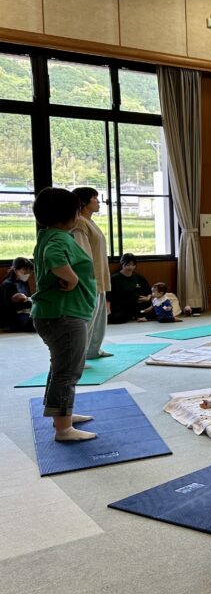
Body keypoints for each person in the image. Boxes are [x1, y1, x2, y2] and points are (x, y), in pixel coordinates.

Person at [30, 187, 98, 442]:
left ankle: (62, 414)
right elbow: (54, 258)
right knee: (68, 371)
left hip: (57, 314)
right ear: (69, 214)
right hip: (64, 316)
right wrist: (70, 278)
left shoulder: (48, 234)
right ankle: (63, 428)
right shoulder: (58, 239)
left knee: (61, 367)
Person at [71, 187, 112, 359]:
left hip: (100, 276)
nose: (98, 200)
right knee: (87, 319)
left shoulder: (89, 221)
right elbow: (82, 254)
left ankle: (93, 351)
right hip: (89, 278)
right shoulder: (79, 222)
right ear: (84, 202)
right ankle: (79, 356)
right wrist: (86, 278)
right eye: (94, 198)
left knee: (99, 319)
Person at [107, 253, 151, 324]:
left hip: (138, 305)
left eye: (133, 265)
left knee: (155, 307)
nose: (130, 267)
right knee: (117, 318)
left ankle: (136, 315)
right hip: (121, 307)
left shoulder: (139, 277)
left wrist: (147, 298)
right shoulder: (114, 278)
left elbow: (149, 291)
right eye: (127, 265)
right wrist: (108, 309)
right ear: (122, 264)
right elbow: (109, 296)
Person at [1, 257, 35, 332]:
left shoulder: (23, 282)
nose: (27, 273)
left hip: (26, 312)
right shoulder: (7, 285)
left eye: (29, 271)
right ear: (16, 270)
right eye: (24, 271)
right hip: (15, 317)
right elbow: (6, 307)